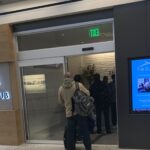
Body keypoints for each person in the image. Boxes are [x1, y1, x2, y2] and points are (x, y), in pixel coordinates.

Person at [58, 72, 92, 150]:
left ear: (64, 78)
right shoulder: (78, 85)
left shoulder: (60, 88)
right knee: (85, 132)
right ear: (71, 77)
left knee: (70, 134)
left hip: (69, 114)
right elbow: (88, 93)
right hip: (80, 113)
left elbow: (60, 102)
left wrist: (67, 104)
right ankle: (88, 148)